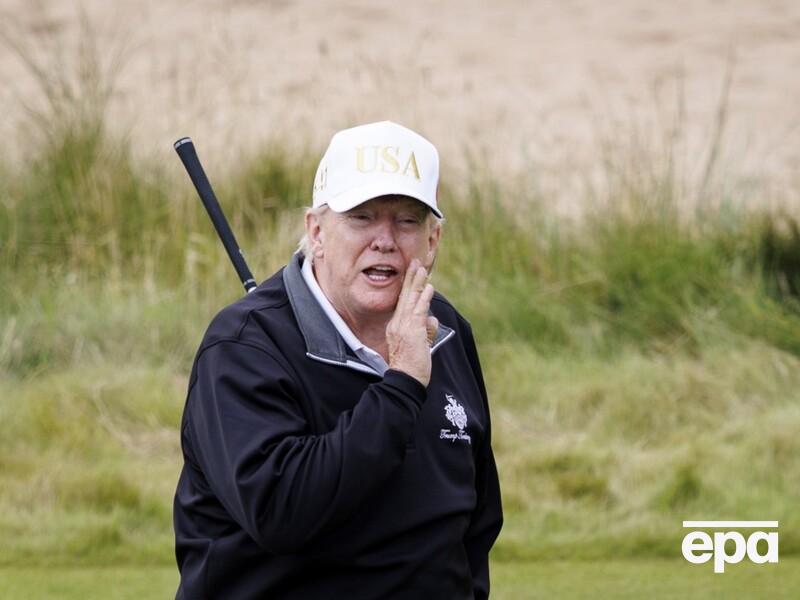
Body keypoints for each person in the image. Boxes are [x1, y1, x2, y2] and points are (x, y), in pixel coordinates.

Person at [173, 121, 503, 599]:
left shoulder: (446, 330)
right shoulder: (243, 348)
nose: (385, 240)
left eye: (407, 221)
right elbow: (282, 512)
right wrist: (401, 386)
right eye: (361, 217)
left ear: (433, 241)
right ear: (317, 231)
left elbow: (475, 522)